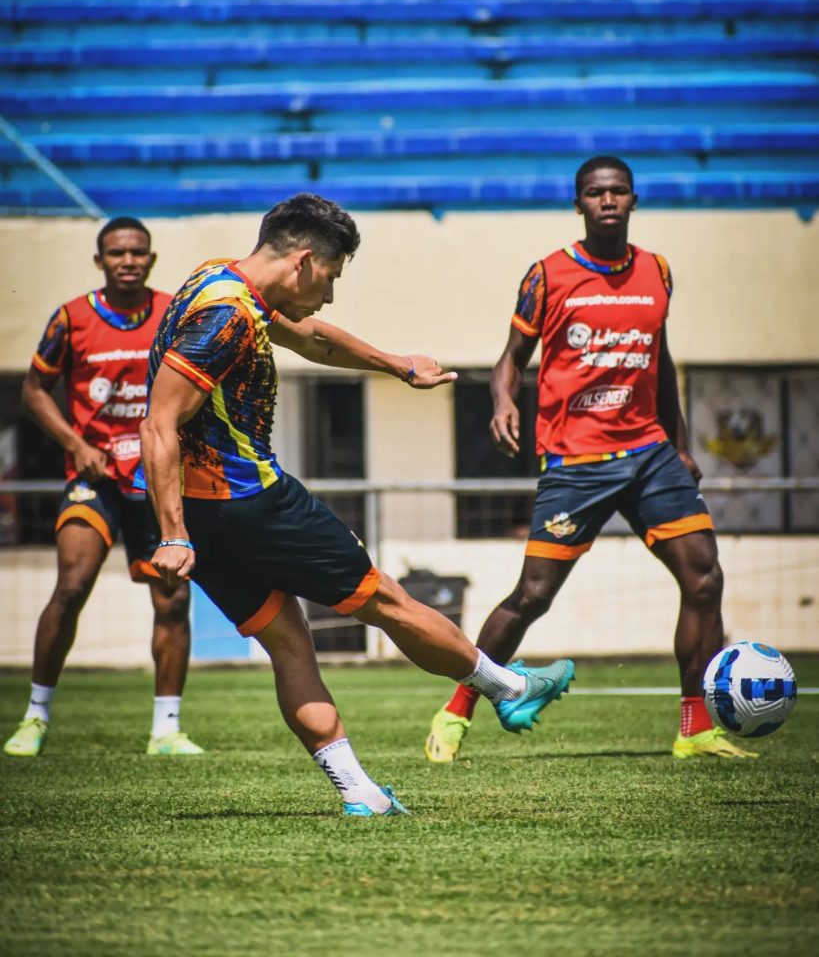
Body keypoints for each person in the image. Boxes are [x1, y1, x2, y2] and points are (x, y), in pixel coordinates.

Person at [137, 192, 574, 816]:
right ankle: (506, 686)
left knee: (289, 644)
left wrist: (397, 365)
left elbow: (314, 339)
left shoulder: (219, 283)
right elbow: (158, 423)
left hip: (209, 517)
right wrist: (172, 534)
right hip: (252, 503)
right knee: (387, 602)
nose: (331, 295)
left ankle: (360, 794)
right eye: (333, 277)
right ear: (306, 262)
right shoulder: (226, 317)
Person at [424, 156, 757, 763]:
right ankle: (455, 714)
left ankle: (696, 728)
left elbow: (661, 362)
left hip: (650, 454)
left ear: (633, 200)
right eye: (595, 193)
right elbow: (510, 357)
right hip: (576, 462)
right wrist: (502, 402)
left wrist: (679, 443)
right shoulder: (548, 275)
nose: (607, 201)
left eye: (618, 191)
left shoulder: (658, 271)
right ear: (579, 204)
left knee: (704, 576)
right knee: (532, 595)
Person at [3, 217, 204, 759]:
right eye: (117, 253)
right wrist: (75, 444)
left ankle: (167, 729)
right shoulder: (72, 318)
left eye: (138, 252)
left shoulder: (174, 313)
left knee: (172, 598)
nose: (128, 261)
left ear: (151, 259)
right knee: (71, 586)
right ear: (100, 261)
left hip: (154, 479)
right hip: (93, 479)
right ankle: (35, 717)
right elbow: (34, 390)